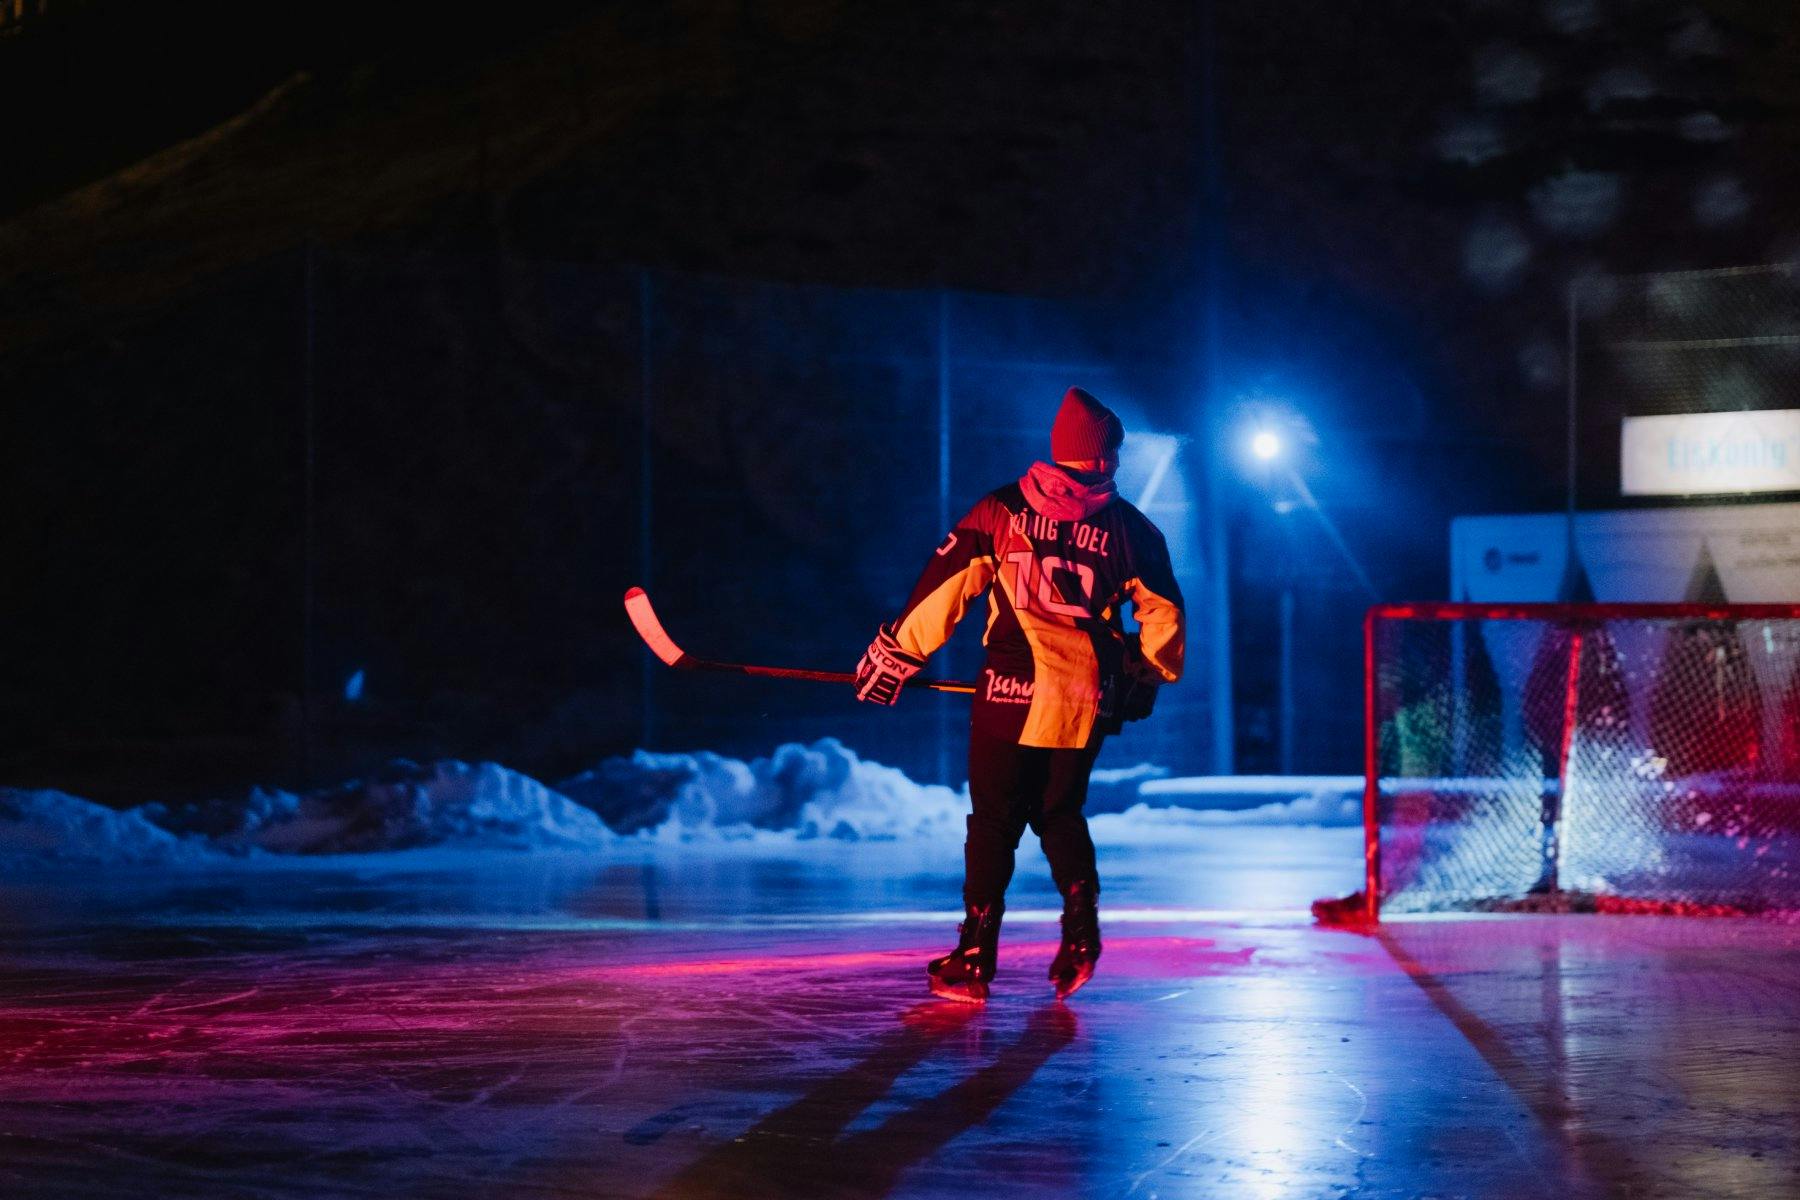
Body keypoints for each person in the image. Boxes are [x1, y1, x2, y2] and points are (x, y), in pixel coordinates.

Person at [855, 387, 1185, 1002]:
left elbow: (945, 589)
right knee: (1059, 814)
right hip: (1084, 696)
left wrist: (897, 653)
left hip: (1010, 691)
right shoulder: (1134, 531)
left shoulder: (1001, 511)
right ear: (1107, 457)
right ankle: (1082, 934)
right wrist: (1146, 674)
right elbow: (1163, 613)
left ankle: (975, 954)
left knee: (994, 822)